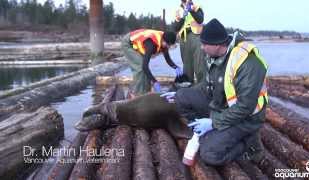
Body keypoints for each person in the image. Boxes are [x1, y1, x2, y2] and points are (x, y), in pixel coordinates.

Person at [77, 19, 268, 166]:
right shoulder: (216, 56)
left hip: (246, 117)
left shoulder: (247, 64)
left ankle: (249, 144)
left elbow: (245, 107)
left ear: (217, 43)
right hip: (222, 106)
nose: (201, 48)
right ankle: (205, 124)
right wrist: (178, 94)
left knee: (210, 154)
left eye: (204, 44)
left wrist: (213, 123)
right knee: (181, 97)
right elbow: (206, 86)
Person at [121, 29, 183, 95]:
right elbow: (145, 67)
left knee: (145, 71)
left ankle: (146, 92)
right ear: (163, 40)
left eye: (170, 45)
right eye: (168, 44)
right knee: (140, 68)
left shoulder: (164, 40)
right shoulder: (151, 44)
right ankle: (137, 94)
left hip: (138, 45)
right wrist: (155, 81)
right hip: (129, 43)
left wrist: (176, 67)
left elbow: (168, 59)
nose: (168, 47)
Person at [173, 0, 206, 83]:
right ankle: (188, 87)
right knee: (186, 66)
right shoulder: (178, 10)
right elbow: (176, 27)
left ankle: (202, 86)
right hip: (184, 38)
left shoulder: (197, 6)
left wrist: (191, 9)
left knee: (199, 64)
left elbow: (200, 19)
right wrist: (182, 18)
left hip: (196, 37)